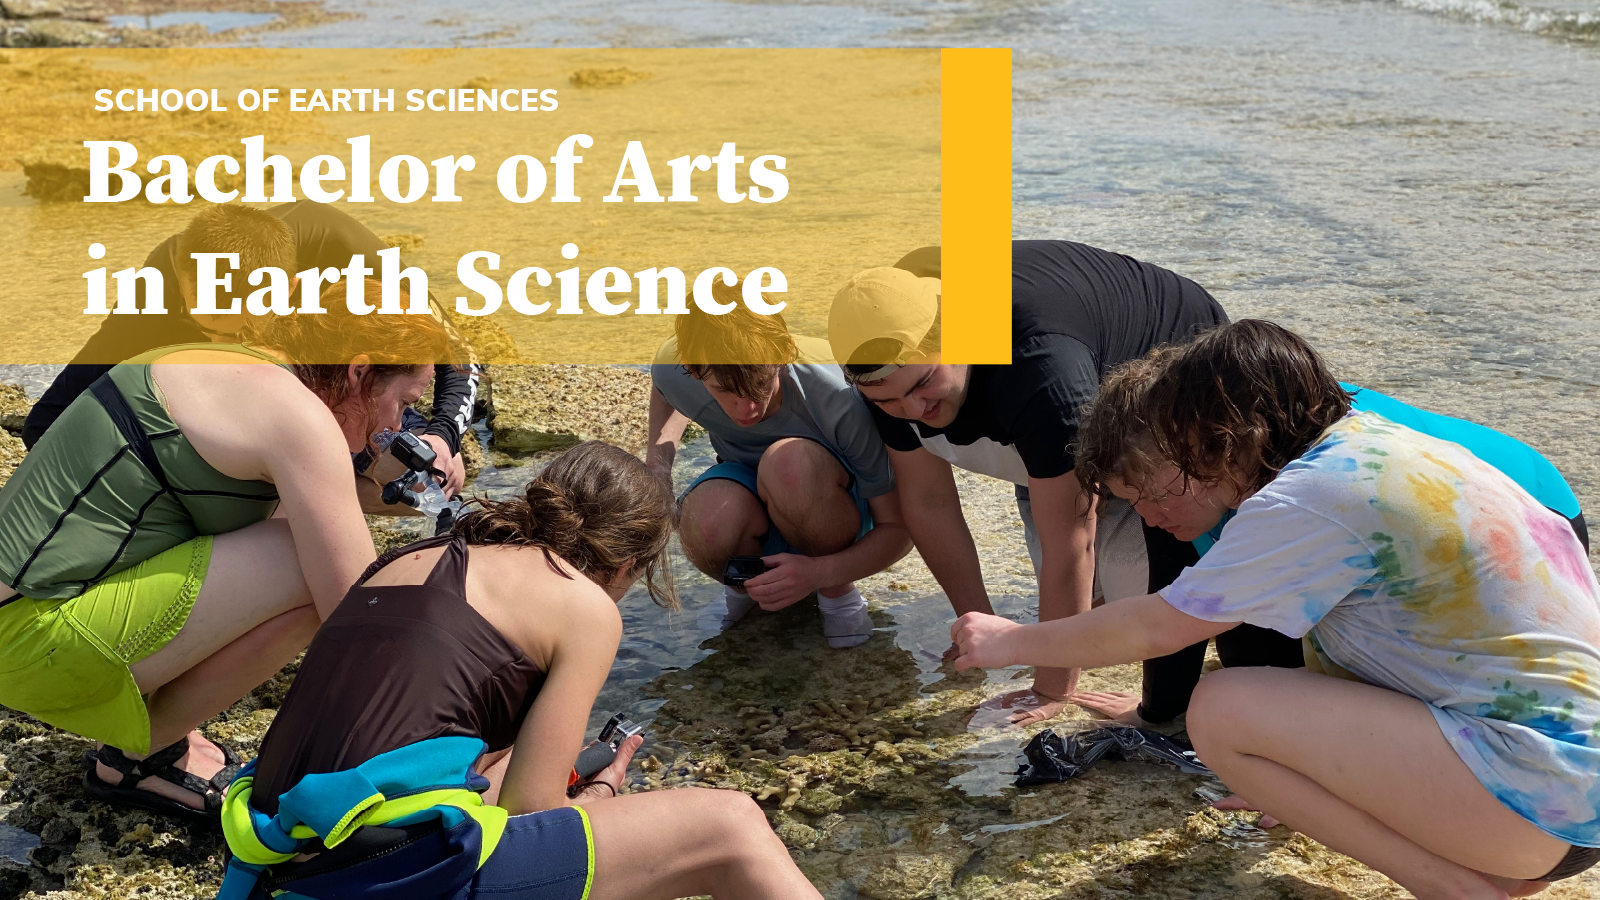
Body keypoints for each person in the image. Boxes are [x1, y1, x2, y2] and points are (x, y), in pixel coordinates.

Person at [949, 320, 1600, 899]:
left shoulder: (1309, 496)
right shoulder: (1379, 445)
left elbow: (1158, 625)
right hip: (1575, 797)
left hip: (1542, 801)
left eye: (1189, 437)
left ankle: (1454, 889)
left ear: (1231, 432)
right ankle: (1502, 873)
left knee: (1222, 708)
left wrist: (1009, 639)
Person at [218, 441, 824, 900]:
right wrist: (605, 792)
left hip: (273, 856)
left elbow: (419, 744)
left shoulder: (412, 559)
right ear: (629, 564)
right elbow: (534, 812)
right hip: (381, 873)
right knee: (730, 825)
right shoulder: (584, 603)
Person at [0, 278, 451, 820]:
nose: (400, 425)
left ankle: (147, 742)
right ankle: (138, 756)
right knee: (308, 568)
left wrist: (394, 488)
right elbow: (356, 614)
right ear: (357, 370)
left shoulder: (233, 364)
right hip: (31, 647)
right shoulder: (297, 420)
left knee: (305, 542)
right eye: (404, 403)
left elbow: (310, 491)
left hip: (23, 622)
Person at [829, 240, 1231, 723]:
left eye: (922, 384)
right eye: (889, 402)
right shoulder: (889, 364)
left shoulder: (1043, 368)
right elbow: (929, 501)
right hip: (1055, 396)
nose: (914, 411)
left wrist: (1050, 689)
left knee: (1137, 603)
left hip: (1176, 354)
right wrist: (977, 634)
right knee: (1075, 596)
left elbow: (1071, 542)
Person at [1070, 381, 1590, 727]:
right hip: (1498, 503)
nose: (1148, 516)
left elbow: (1184, 625)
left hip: (1527, 510)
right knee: (1255, 657)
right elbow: (1180, 596)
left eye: (1150, 497)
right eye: (1131, 502)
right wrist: (1158, 711)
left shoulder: (1276, 475)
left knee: (1412, 677)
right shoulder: (1181, 477)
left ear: (1203, 449)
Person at [21, 201, 479, 504]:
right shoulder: (157, 291)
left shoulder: (335, 243)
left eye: (247, 329)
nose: (234, 343)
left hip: (343, 380)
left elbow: (456, 349)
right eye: (211, 329)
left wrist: (444, 434)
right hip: (257, 414)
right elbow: (46, 423)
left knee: (425, 472)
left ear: (288, 289)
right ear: (184, 286)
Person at [648, 283, 911, 648]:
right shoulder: (675, 366)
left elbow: (898, 529)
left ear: (783, 353)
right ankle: (744, 591)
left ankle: (837, 595)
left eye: (759, 384)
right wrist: (658, 465)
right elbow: (664, 389)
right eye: (724, 390)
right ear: (692, 370)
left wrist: (823, 573)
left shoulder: (839, 395)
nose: (746, 409)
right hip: (751, 491)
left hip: (832, 505)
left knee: (788, 465)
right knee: (705, 519)